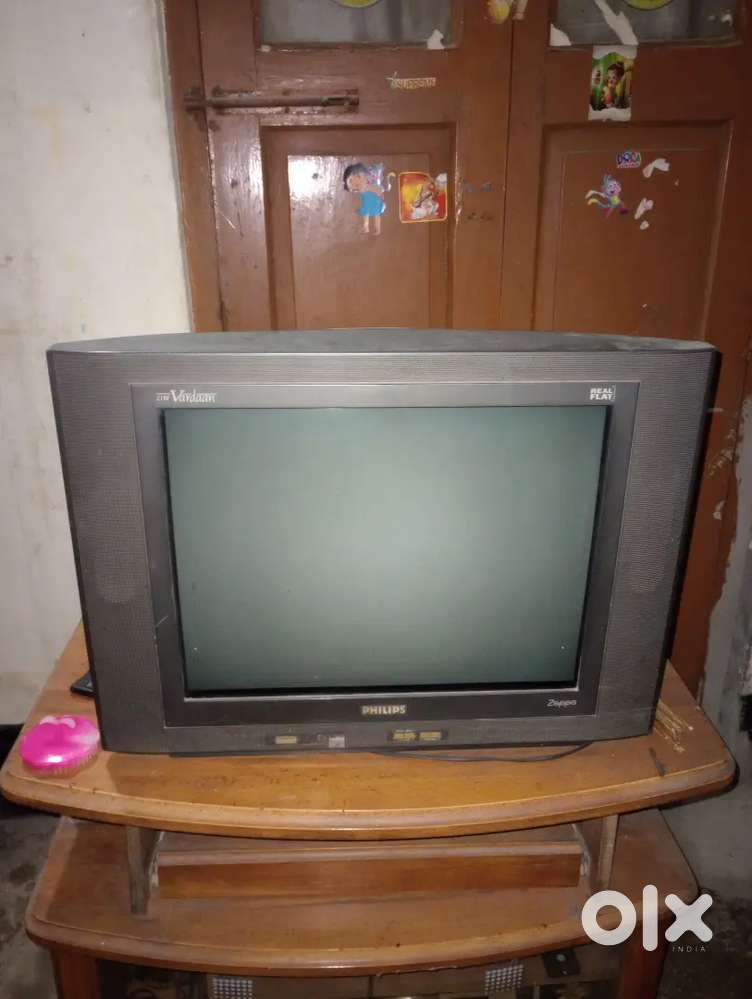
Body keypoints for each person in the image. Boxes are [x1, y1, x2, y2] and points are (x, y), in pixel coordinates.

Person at [343, 163, 388, 235]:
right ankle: (366, 227)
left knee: (375, 215)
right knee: (366, 213)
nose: (355, 187)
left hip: (376, 203)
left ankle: (376, 229)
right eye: (354, 190)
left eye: (351, 180)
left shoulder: (371, 182)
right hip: (369, 204)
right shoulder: (363, 190)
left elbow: (378, 190)